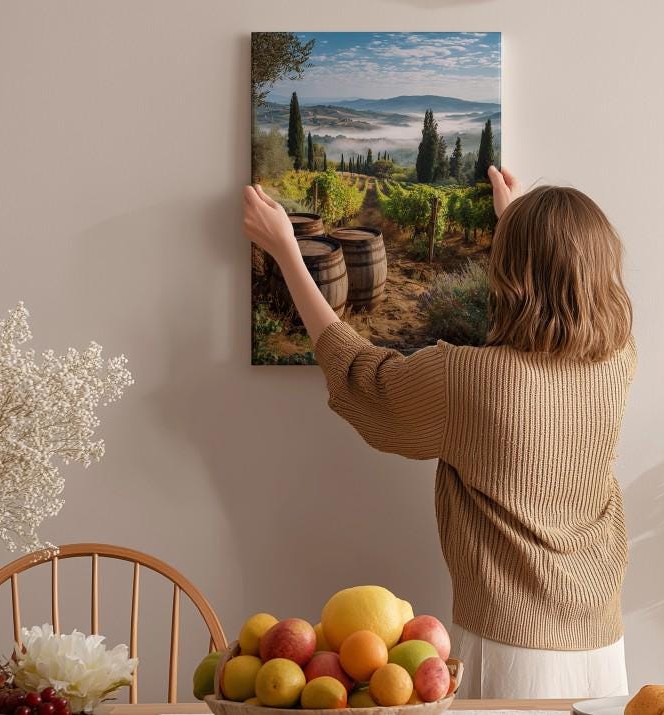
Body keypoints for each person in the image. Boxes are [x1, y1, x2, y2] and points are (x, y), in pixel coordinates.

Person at [242, 166, 636, 699]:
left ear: (509, 271)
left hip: (510, 646)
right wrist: (517, 224)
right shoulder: (618, 360)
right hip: (603, 645)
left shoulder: (468, 378)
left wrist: (287, 249)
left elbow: (361, 374)